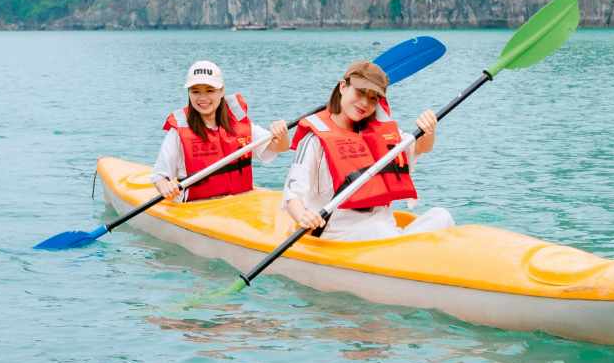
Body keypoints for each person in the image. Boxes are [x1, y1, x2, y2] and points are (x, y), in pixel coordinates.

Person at [283, 60, 454, 241]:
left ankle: (404, 249)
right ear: (343, 87)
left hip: (384, 229)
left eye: (373, 98)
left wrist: (429, 129)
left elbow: (421, 147)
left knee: (442, 216)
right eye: (360, 92)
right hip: (337, 232)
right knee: (379, 231)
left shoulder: (381, 134)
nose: (365, 103)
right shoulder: (314, 140)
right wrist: (302, 215)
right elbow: (292, 193)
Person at [153, 60, 290, 202]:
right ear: (189, 93)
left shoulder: (239, 124)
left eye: (210, 90)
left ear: (222, 91)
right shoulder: (179, 131)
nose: (202, 98)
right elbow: (159, 177)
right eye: (195, 91)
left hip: (241, 203)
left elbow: (280, 147)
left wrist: (282, 133)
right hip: (198, 207)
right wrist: (165, 187)